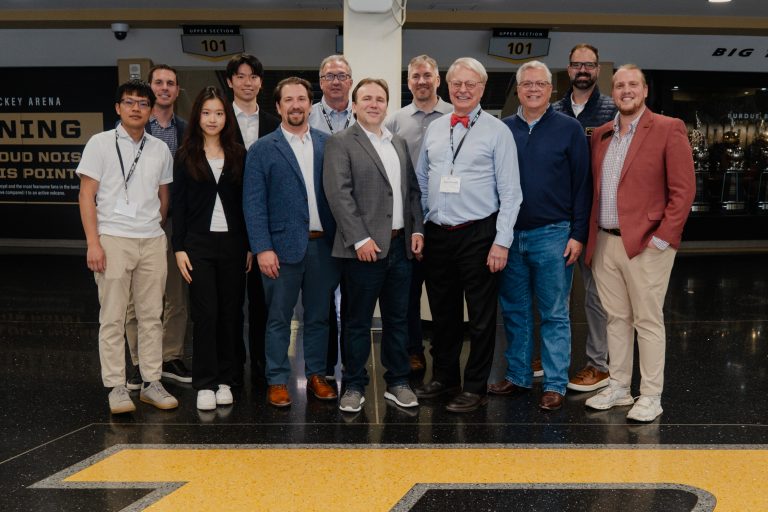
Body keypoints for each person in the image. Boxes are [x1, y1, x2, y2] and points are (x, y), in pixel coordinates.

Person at [584, 64, 695, 422]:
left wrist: (663, 239)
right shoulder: (602, 134)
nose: (626, 90)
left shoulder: (667, 128)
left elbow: (683, 191)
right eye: (619, 85)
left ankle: (650, 396)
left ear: (645, 91)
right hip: (605, 242)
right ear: (612, 92)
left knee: (647, 320)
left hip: (646, 244)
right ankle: (619, 387)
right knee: (616, 318)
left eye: (633, 84)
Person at [415, 57, 522, 413]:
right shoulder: (435, 128)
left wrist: (501, 241)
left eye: (470, 84)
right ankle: (445, 377)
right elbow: (423, 179)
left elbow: (511, 193)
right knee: (442, 314)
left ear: (482, 88)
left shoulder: (497, 131)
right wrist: (423, 224)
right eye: (457, 83)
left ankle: (475, 386)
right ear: (447, 86)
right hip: (438, 233)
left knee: (480, 316)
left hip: (479, 234)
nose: (462, 90)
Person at [490, 61, 590, 411]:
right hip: (510, 236)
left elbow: (583, 185)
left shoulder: (569, 128)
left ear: (551, 89)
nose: (533, 89)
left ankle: (554, 383)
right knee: (515, 311)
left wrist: (578, 234)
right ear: (518, 90)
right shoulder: (503, 129)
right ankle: (518, 376)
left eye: (540, 84)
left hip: (554, 234)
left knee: (554, 314)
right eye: (526, 84)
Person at [76, 79, 178, 414]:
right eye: (129, 102)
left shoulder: (159, 149)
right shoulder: (100, 143)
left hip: (151, 240)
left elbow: (164, 196)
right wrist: (94, 243)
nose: (136, 108)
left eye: (143, 103)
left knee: (151, 316)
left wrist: (154, 227)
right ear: (118, 108)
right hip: (113, 239)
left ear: (151, 110)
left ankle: (151, 382)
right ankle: (116, 386)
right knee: (113, 316)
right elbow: (86, 195)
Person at [323, 78, 424, 413]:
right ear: (354, 105)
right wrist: (360, 238)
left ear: (387, 105)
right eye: (366, 98)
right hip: (362, 251)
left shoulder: (398, 142)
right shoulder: (341, 142)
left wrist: (417, 229)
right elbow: (339, 194)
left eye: (380, 99)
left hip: (400, 248)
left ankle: (398, 381)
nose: (374, 104)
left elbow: (411, 192)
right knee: (357, 322)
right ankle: (353, 385)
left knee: (398, 320)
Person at [243, 77, 340, 408]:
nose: (296, 105)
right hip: (280, 250)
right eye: (289, 100)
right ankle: (277, 379)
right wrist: (262, 248)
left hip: (323, 247)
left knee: (319, 317)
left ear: (310, 104)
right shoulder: (262, 149)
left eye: (301, 99)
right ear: (278, 106)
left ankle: (317, 375)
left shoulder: (329, 145)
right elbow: (253, 204)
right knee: (278, 318)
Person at [171, 86, 251, 411]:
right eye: (206, 113)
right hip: (198, 246)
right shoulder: (185, 155)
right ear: (197, 117)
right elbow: (178, 205)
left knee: (231, 313)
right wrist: (179, 248)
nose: (213, 119)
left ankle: (227, 379)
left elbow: (247, 203)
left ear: (226, 117)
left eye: (219, 113)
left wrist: (250, 246)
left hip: (234, 245)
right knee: (206, 314)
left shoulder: (239, 154)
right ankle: (205, 382)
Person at [552, 44, 617, 393]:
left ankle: (598, 364)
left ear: (597, 69)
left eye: (589, 65)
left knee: (596, 296)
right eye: (577, 64)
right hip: (558, 216)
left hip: (596, 217)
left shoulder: (612, 111)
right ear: (568, 68)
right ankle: (552, 360)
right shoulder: (553, 110)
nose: (582, 70)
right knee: (554, 296)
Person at [385, 54, 452, 373]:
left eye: (427, 75)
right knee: (407, 294)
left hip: (444, 220)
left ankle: (443, 351)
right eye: (416, 76)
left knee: (443, 293)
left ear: (438, 80)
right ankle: (413, 350)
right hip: (408, 221)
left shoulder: (455, 114)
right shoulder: (395, 121)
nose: (422, 81)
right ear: (408, 82)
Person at [125, 64, 191, 391]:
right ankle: (140, 362)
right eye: (159, 82)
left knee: (176, 295)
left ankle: (170, 356)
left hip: (175, 221)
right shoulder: (132, 127)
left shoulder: (187, 130)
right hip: (137, 222)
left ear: (177, 91)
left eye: (170, 83)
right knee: (136, 298)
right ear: (150, 88)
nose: (164, 88)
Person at [225, 53, 281, 386]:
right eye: (241, 76)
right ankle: (233, 366)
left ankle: (262, 365)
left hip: (265, 226)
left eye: (253, 77)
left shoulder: (274, 124)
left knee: (263, 302)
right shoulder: (218, 120)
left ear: (261, 83)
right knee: (231, 302)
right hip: (227, 225)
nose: (248, 82)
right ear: (230, 81)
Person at [309, 54, 356, 380]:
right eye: (329, 76)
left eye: (341, 75)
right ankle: (323, 369)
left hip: (356, 223)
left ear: (350, 81)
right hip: (321, 222)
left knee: (354, 300)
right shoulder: (307, 115)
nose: (336, 81)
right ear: (321, 82)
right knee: (321, 301)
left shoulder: (365, 115)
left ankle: (353, 367)